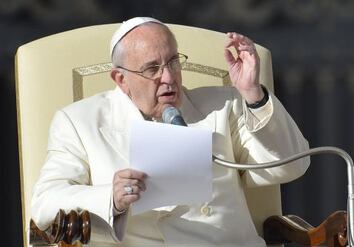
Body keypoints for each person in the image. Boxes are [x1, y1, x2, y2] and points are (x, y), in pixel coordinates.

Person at [31, 17, 310, 247]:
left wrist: (254, 95)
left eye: (173, 62)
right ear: (121, 79)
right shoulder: (80, 121)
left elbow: (291, 165)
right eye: (152, 68)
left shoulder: (224, 106)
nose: (168, 77)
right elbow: (44, 204)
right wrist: (111, 199)